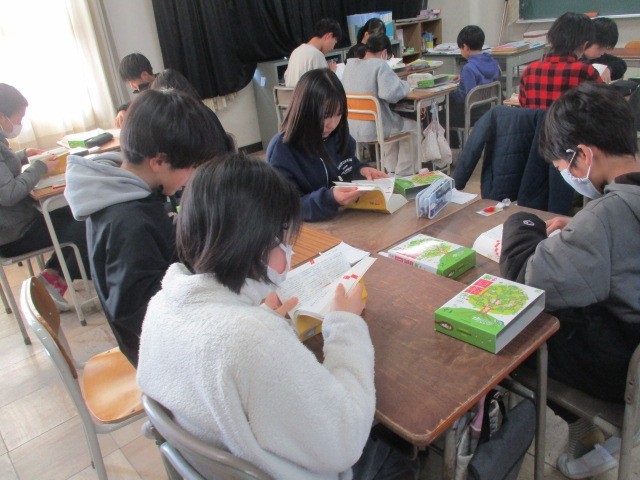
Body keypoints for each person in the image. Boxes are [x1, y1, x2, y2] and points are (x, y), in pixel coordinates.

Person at [137, 154, 421, 479]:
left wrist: (255, 317)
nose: (290, 251)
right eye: (286, 243)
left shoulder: (161, 306)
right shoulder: (254, 340)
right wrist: (346, 325)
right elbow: (345, 440)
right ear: (256, 245)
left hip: (217, 463)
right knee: (399, 454)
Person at [500, 82, 640, 479]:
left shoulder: (607, 218)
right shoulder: (617, 205)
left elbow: (522, 278)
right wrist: (583, 225)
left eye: (565, 168)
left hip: (622, 370)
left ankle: (585, 434)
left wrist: (522, 221)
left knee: (519, 326)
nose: (567, 177)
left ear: (584, 155)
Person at [64, 89, 233, 367]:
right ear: (159, 161)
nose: (193, 178)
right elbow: (139, 314)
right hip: (162, 356)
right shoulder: (128, 221)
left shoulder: (127, 192)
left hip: (168, 333)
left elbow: (155, 254)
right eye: (192, 167)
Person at [0, 83, 89, 311]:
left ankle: (50, 277)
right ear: (2, 116)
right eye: (19, 118)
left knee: (72, 213)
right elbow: (8, 194)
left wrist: (23, 155)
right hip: (14, 235)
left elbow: (4, 166)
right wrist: (38, 167)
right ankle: (56, 280)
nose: (19, 124)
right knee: (83, 223)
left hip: (13, 226)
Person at [266, 69, 387, 222]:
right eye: (325, 116)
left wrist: (361, 171)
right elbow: (287, 208)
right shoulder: (282, 150)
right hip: (302, 230)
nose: (332, 124)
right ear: (304, 110)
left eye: (339, 114)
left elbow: (345, 167)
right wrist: (330, 198)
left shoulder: (337, 135)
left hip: (339, 221)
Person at [342, 33, 418, 176]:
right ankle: (404, 173)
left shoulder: (350, 65)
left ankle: (390, 170)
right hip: (374, 128)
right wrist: (406, 85)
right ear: (384, 53)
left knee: (390, 123)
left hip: (352, 127)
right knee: (413, 127)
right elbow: (390, 94)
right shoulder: (380, 64)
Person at [519, 12, 602, 109]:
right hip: (570, 119)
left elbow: (523, 105)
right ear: (584, 45)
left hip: (538, 119)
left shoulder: (529, 71)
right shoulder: (585, 71)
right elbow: (605, 106)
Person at [445, 25, 500, 147]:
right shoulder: (492, 62)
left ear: (466, 47)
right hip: (486, 110)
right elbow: (484, 79)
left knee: (438, 114)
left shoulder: (468, 68)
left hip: (469, 113)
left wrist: (448, 93)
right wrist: (464, 78)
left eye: (460, 48)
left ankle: (451, 150)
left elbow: (463, 96)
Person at [284, 18, 341, 87]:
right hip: (307, 94)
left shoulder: (296, 51)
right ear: (329, 36)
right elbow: (325, 88)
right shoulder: (316, 55)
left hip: (293, 93)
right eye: (334, 42)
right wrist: (331, 73)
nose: (332, 48)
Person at [114, 53, 156, 128]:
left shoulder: (161, 88)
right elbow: (133, 103)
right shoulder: (147, 88)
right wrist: (122, 110)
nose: (131, 86)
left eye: (132, 81)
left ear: (145, 75)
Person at [582, 17, 627, 83]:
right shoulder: (573, 60)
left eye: (605, 47)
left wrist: (609, 69)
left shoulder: (597, 57)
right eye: (601, 47)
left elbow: (621, 63)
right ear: (589, 40)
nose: (603, 52)